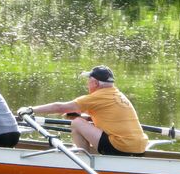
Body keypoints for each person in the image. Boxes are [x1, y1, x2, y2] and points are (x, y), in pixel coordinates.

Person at [18, 65, 148, 156]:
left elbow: (60, 107)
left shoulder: (97, 96)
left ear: (96, 83)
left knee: (77, 123)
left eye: (89, 80)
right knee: (83, 121)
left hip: (121, 147)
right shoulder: (117, 95)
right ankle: (87, 153)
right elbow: (108, 118)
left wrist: (30, 109)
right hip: (140, 147)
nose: (87, 84)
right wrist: (86, 118)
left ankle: (84, 158)